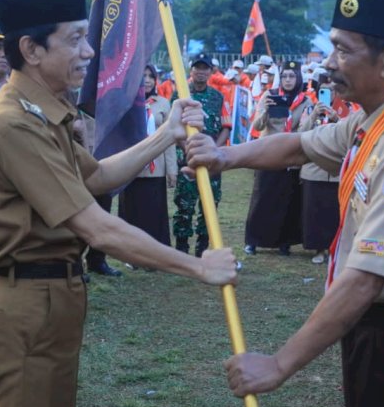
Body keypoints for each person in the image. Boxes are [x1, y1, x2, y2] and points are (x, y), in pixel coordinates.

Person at [186, 0, 384, 407]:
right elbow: (301, 145)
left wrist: (279, 364)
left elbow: (364, 281)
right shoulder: (377, 120)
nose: (329, 62)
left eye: (343, 49)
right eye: (332, 46)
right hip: (375, 329)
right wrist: (224, 154)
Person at [0, 0, 237, 407]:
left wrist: (166, 135)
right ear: (31, 50)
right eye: (74, 40)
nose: (89, 52)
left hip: (55, 294)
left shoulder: (45, 114)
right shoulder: (14, 122)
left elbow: (94, 178)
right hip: (26, 299)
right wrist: (197, 267)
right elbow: (97, 227)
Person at [244, 60, 312, 256]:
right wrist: (264, 108)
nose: (288, 80)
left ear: (298, 78)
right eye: (284, 76)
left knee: (287, 198)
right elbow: (257, 126)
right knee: (262, 196)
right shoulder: (270, 96)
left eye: (292, 76)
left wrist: (311, 116)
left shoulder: (305, 101)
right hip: (268, 152)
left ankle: (284, 242)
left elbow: (303, 131)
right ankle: (253, 241)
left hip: (291, 154)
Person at [172, 54, 230, 256]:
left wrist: (214, 149)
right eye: (197, 67)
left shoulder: (218, 97)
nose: (201, 71)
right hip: (187, 159)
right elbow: (173, 127)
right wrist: (188, 147)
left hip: (212, 161)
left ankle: (202, 249)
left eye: (205, 68)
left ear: (211, 72)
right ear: (191, 70)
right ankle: (181, 248)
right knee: (184, 205)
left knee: (209, 206)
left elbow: (226, 127)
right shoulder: (180, 96)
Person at [119, 64, 177, 261]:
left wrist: (172, 169)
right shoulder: (126, 103)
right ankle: (132, 255)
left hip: (156, 169)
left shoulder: (163, 103)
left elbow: (169, 139)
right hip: (131, 167)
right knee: (131, 212)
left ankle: (157, 255)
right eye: (142, 75)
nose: (147, 80)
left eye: (151, 76)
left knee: (154, 213)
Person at [298, 86, 346, 265]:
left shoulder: (347, 109)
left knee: (334, 212)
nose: (329, 94)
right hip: (314, 168)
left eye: (333, 90)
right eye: (324, 91)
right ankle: (318, 250)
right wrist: (313, 116)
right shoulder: (310, 109)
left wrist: (336, 119)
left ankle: (334, 249)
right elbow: (300, 133)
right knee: (315, 212)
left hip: (336, 170)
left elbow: (354, 134)